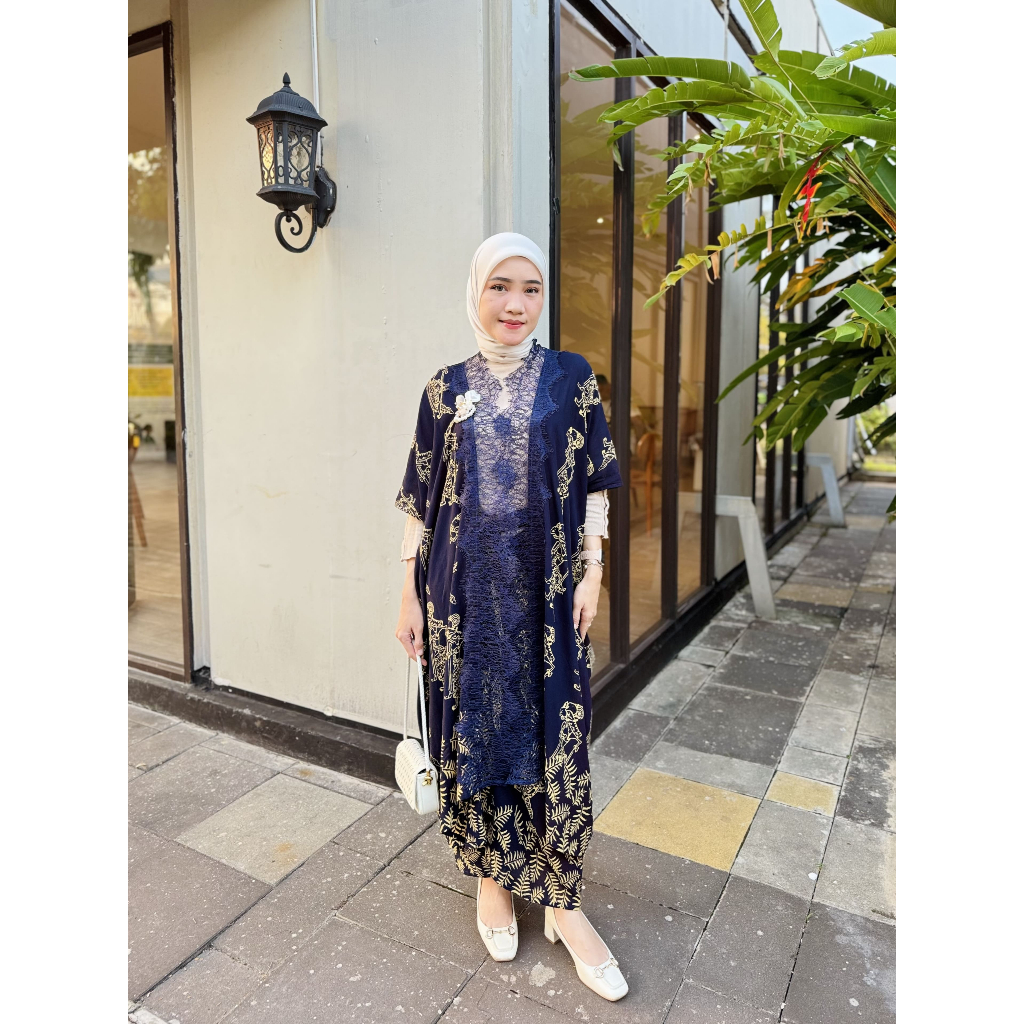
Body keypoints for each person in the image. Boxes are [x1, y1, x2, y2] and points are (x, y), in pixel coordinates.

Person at [393, 232, 628, 1002]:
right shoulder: (443, 389)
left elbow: (594, 483)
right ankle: (492, 881)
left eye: (530, 288)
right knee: (479, 736)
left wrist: (594, 572)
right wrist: (407, 595)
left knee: (556, 741)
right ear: (477, 292)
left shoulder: (571, 378)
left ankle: (562, 903)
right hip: (461, 600)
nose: (515, 304)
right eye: (500, 286)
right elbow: (421, 498)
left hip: (547, 598)